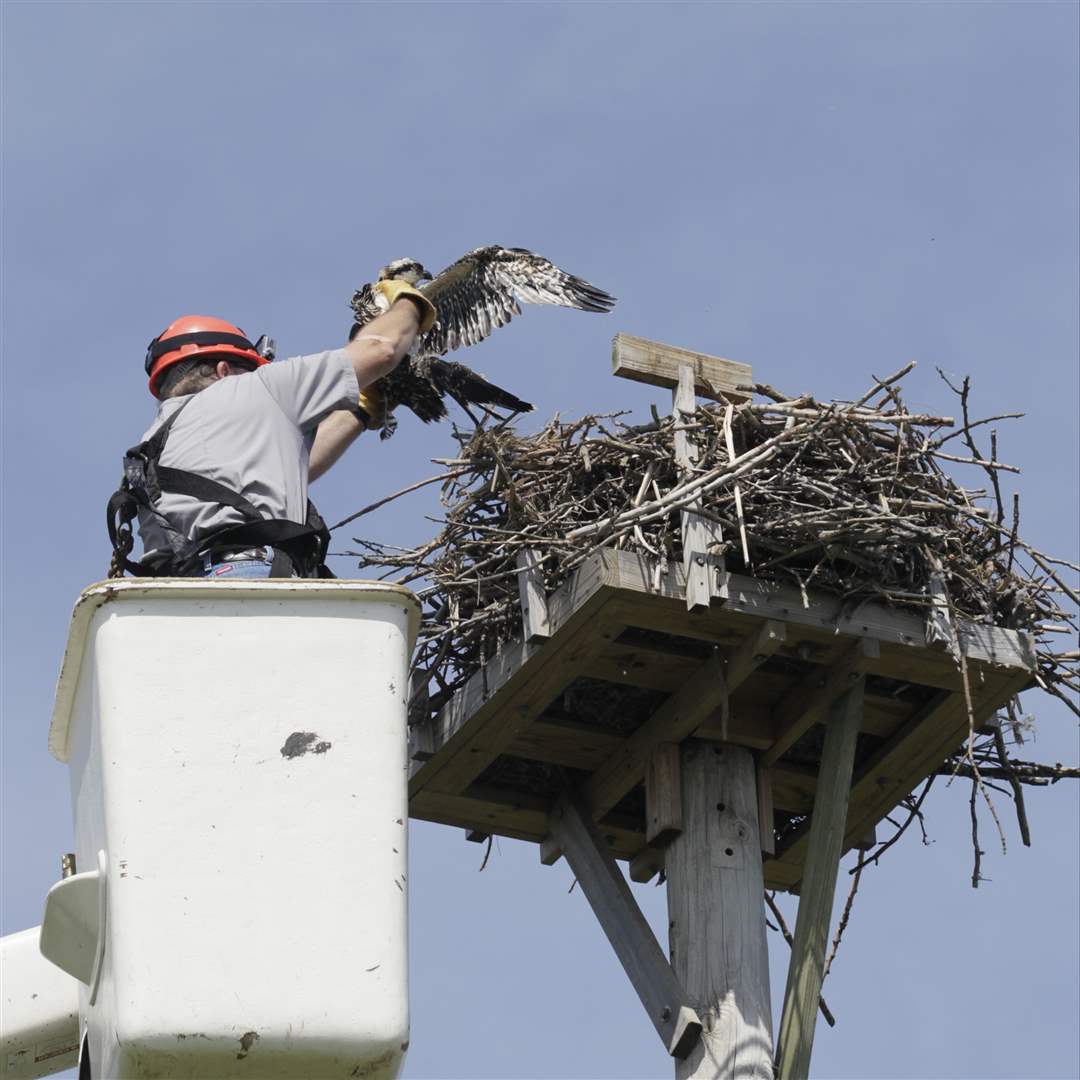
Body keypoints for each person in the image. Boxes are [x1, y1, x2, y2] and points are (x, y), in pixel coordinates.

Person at [107, 281, 436, 579]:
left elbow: (291, 467)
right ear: (224, 369)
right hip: (249, 572)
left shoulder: (152, 445)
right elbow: (382, 348)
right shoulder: (258, 388)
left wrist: (361, 410)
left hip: (186, 600)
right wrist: (407, 299)